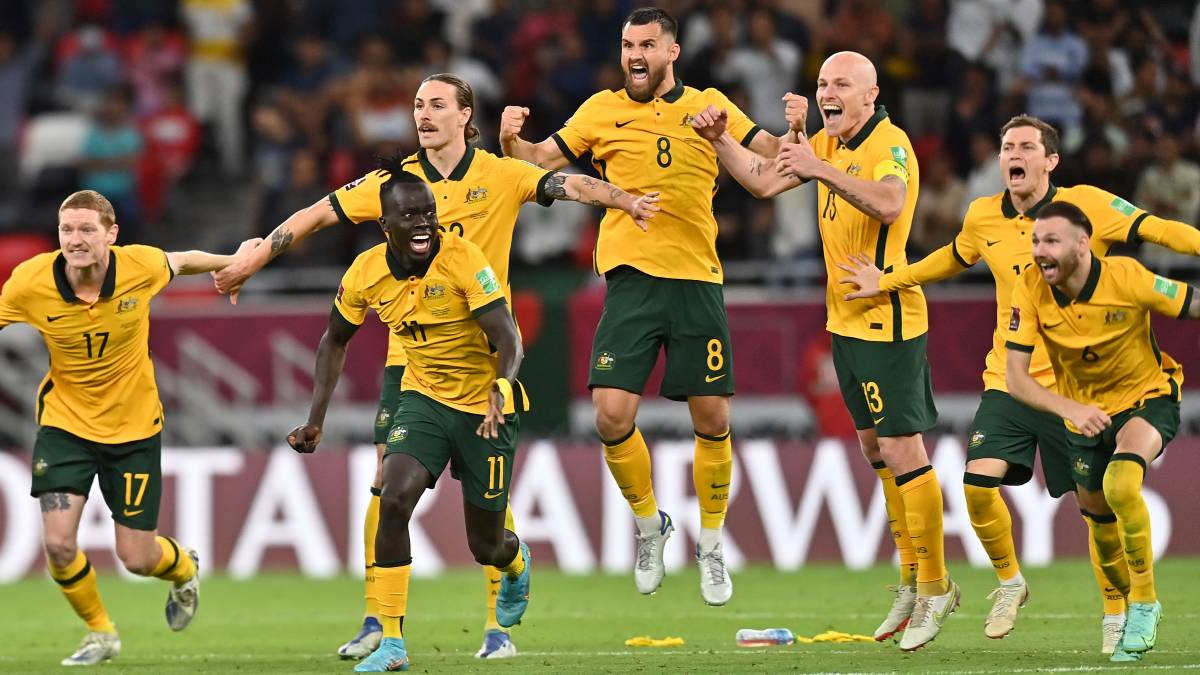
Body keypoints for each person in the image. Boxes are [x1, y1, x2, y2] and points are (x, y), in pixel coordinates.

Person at [213, 72, 657, 659]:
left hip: (485, 356)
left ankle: (498, 619)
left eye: (437, 104)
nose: (423, 114)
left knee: (484, 511)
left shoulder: (499, 173)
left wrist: (624, 198)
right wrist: (255, 258)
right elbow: (315, 215)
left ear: (465, 115)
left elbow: (568, 185)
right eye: (418, 105)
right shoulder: (394, 184)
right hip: (412, 359)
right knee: (386, 487)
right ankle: (381, 623)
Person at [837, 115, 1200, 654]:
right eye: (1007, 145)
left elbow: (1156, 228)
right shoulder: (983, 215)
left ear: (1050, 161)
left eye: (1027, 146)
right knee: (977, 484)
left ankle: (1117, 611)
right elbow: (952, 258)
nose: (1014, 154)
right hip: (1011, 377)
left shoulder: (1087, 207)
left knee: (1095, 509)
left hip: (1077, 387)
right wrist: (889, 280)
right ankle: (1009, 582)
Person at [498, 6, 791, 606]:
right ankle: (649, 523)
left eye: (647, 45)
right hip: (630, 283)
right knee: (609, 415)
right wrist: (508, 138)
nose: (635, 54)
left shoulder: (710, 105)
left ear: (672, 52)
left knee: (711, 421)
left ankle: (711, 543)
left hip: (698, 280)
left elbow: (772, 162)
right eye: (628, 44)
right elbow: (535, 164)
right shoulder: (599, 111)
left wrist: (798, 129)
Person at [692, 51, 956, 650]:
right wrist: (719, 140)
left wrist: (818, 165)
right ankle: (911, 579)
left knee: (902, 447)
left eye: (841, 83)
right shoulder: (826, 145)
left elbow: (889, 203)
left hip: (888, 321)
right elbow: (762, 180)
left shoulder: (889, 142)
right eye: (821, 84)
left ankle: (937, 585)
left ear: (871, 93)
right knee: (874, 449)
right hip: (846, 322)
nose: (828, 92)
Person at [286, 171, 532, 673]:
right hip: (422, 401)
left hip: (486, 406)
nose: (424, 225)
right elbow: (334, 340)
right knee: (392, 496)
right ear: (385, 225)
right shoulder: (364, 272)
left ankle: (515, 562)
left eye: (428, 214)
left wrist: (502, 386)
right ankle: (392, 641)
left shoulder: (463, 258)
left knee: (484, 545)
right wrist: (315, 420)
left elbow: (509, 337)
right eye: (410, 216)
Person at [0, 190, 257, 666]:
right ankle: (100, 631)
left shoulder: (139, 266)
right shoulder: (29, 282)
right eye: (66, 230)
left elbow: (184, 261)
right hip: (65, 426)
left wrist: (241, 258)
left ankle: (183, 568)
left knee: (137, 559)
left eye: (86, 230)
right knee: (57, 544)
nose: (74, 241)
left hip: (134, 430)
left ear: (111, 234)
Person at [1006, 200, 1199, 663]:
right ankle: (1129, 601)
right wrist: (1070, 408)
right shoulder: (1030, 286)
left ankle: (1146, 603)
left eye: (1050, 240)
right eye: (1035, 241)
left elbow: (1191, 304)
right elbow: (1016, 377)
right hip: (1085, 416)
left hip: (1148, 398)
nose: (1039, 251)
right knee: (1099, 522)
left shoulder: (1126, 277)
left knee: (1121, 482)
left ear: (1082, 244)